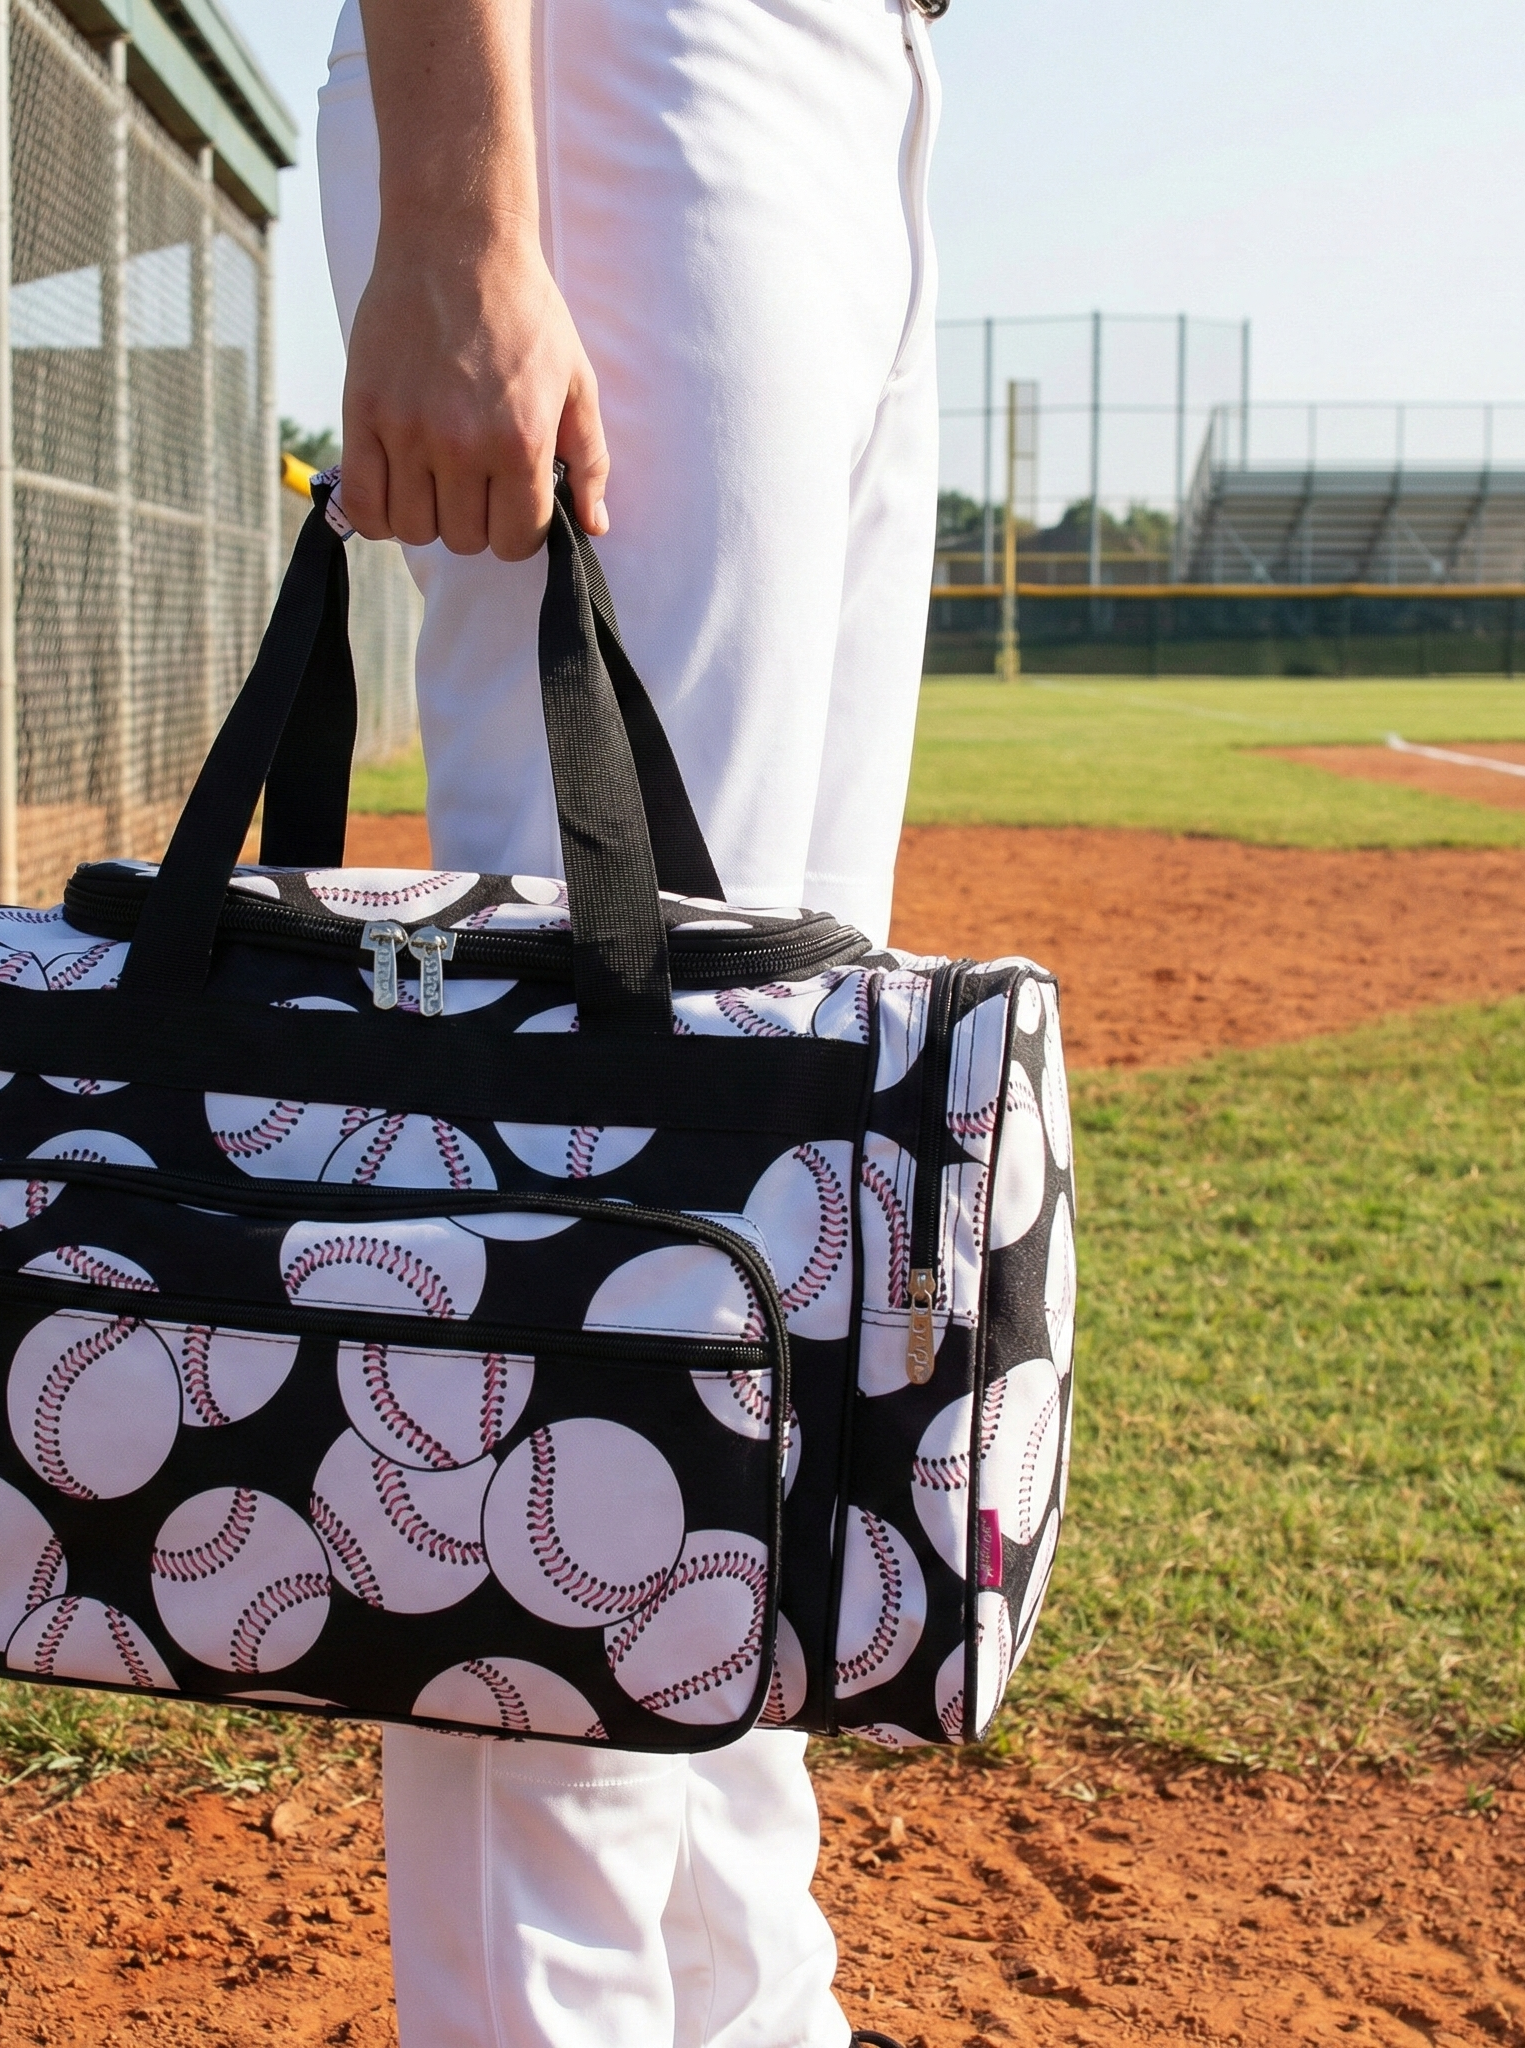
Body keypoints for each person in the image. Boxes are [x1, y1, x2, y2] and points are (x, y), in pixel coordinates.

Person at [315, 0, 941, 2038]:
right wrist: (458, 205)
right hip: (611, 69)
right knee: (584, 1240)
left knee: (750, 1248)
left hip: (862, 80)